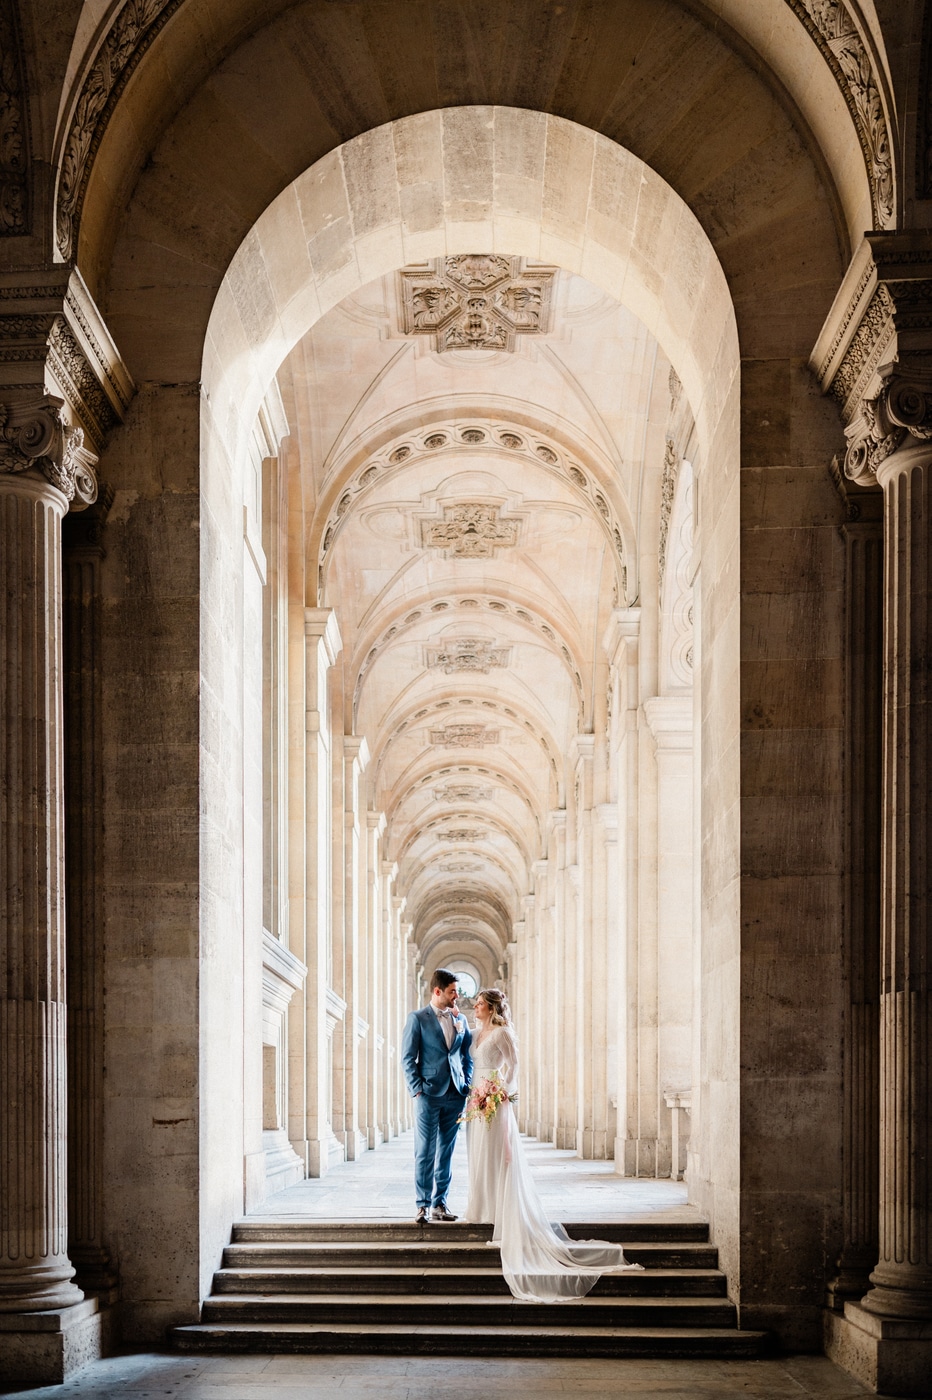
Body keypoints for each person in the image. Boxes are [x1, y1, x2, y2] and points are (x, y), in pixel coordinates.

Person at [462, 987, 643, 1302]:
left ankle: (498, 1211)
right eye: (475, 1003)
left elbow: (515, 1065)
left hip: (493, 1095)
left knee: (495, 1153)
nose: (474, 1007)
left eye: (479, 1004)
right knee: (478, 1151)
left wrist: (502, 1088)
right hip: (475, 1097)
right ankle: (481, 1205)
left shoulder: (502, 1033)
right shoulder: (475, 1032)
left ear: (491, 1008)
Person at [401, 968, 473, 1224]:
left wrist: (466, 1081)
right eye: (453, 991)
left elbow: (466, 1055)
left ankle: (439, 1203)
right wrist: (417, 1088)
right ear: (437, 991)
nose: (457, 996)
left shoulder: (460, 1019)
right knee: (425, 1151)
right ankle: (421, 1205)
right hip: (428, 1094)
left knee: (446, 1152)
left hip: (455, 1094)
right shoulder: (417, 1018)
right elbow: (407, 1058)